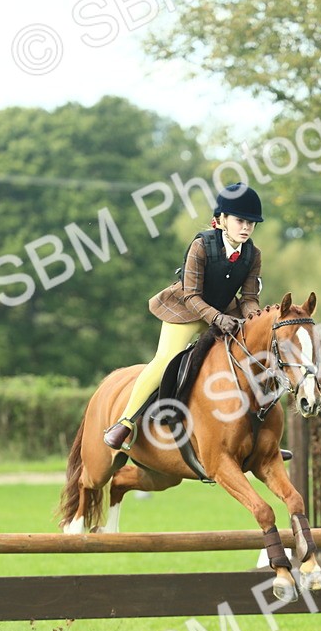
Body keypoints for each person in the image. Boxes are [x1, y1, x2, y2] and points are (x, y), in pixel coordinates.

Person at [103, 182, 264, 450]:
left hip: (225, 311)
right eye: (240, 221)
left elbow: (248, 299)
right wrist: (217, 318)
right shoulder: (202, 246)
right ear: (222, 219)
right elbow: (191, 295)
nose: (246, 227)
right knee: (166, 360)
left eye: (251, 223)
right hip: (187, 310)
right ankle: (125, 422)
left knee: (253, 358)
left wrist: (255, 319)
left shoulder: (253, 255)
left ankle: (260, 437)